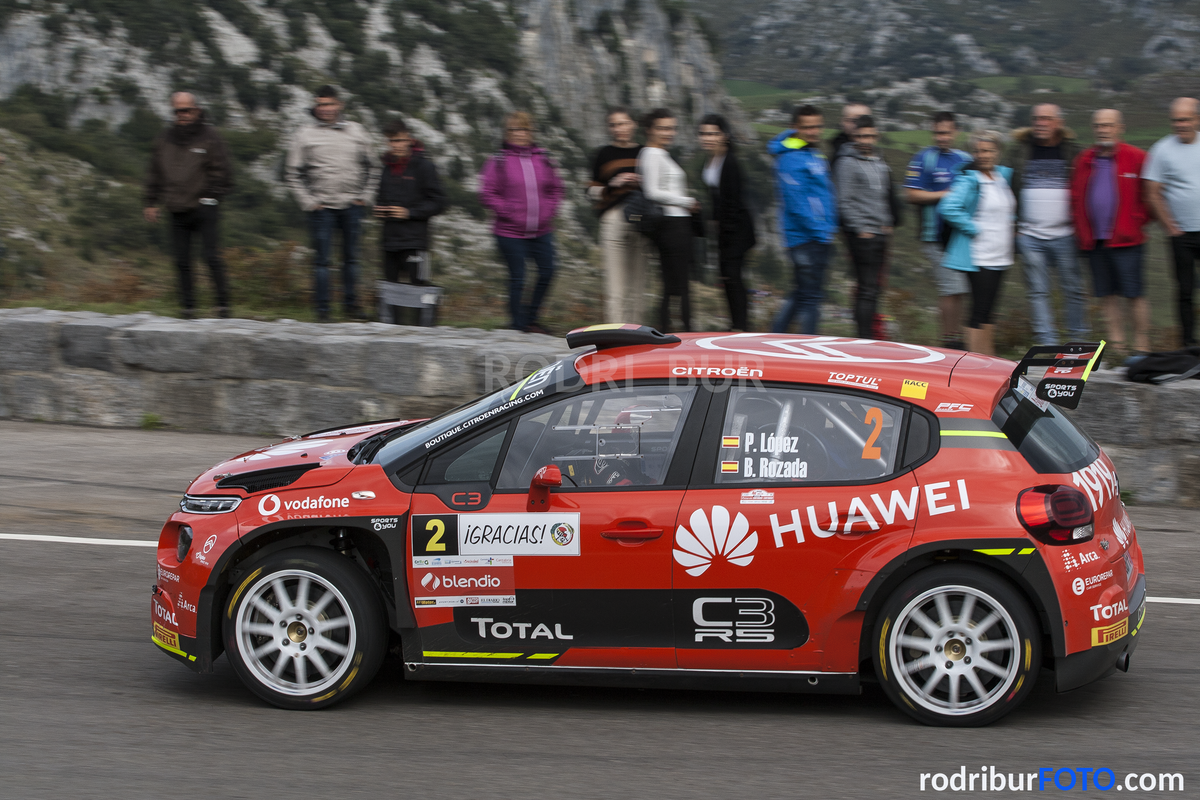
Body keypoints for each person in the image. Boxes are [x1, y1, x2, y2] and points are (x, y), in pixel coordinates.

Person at [285, 85, 376, 322]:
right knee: (322, 261)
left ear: (339, 105)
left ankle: (351, 306)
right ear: (315, 106)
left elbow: (373, 166)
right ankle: (323, 310)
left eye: (329, 104)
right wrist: (309, 202)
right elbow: (293, 173)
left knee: (351, 258)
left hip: (352, 206)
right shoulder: (304, 134)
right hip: (322, 207)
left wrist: (364, 196)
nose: (325, 109)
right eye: (320, 104)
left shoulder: (356, 131)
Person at [143, 91, 234, 319]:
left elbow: (223, 173)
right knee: (182, 260)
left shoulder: (210, 137)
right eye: (177, 111)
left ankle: (223, 305)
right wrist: (151, 202)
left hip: (204, 208)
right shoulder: (164, 139)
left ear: (196, 109)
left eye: (186, 110)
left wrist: (211, 198)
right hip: (176, 208)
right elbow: (154, 173)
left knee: (211, 256)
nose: (182, 115)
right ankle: (188, 306)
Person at [1071, 109, 1150, 358]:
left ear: (1120, 127)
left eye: (1108, 125)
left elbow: (1151, 195)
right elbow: (1075, 196)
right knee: (1106, 295)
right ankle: (1118, 349)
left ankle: (1141, 347)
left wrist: (1138, 221)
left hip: (1127, 239)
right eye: (1098, 126)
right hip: (1095, 240)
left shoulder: (1137, 157)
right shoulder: (1084, 159)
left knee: (1134, 294)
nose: (1102, 130)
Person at [479, 111, 564, 334]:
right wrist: (509, 211)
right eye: (514, 130)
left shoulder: (543, 158)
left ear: (530, 132)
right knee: (518, 278)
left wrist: (549, 210)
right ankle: (518, 326)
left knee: (548, 271)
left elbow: (556, 188)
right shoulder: (498, 161)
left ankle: (531, 318)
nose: (519, 134)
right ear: (507, 133)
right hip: (509, 231)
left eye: (523, 129)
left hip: (542, 230)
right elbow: (487, 194)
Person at [1009, 103, 1086, 345]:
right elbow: (1006, 184)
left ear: (1058, 123)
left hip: (1066, 233)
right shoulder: (1020, 150)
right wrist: (1015, 228)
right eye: (1036, 118)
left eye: (1046, 119)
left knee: (1073, 289)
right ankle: (1047, 343)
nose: (1040, 123)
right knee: (1037, 291)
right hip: (1030, 235)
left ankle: (1078, 342)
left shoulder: (1073, 151)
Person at [938, 131, 1016, 356]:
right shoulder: (970, 180)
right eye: (979, 151)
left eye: (989, 150)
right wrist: (973, 228)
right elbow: (948, 207)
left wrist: (1011, 226)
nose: (984, 155)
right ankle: (974, 361)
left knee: (990, 311)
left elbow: (1007, 209)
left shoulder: (1003, 177)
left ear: (997, 153)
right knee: (979, 310)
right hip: (980, 254)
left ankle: (988, 358)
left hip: (1001, 254)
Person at [768, 104, 838, 334]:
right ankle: (809, 347)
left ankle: (775, 336)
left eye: (817, 126)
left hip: (815, 236)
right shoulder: (791, 158)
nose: (813, 131)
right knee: (811, 298)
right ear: (795, 128)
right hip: (805, 238)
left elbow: (821, 193)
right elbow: (796, 201)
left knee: (802, 293)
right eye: (807, 127)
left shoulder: (812, 152)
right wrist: (821, 231)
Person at [905, 111, 972, 348]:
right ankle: (948, 340)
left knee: (960, 289)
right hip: (933, 236)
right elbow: (911, 194)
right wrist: (945, 195)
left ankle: (957, 338)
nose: (942, 137)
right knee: (949, 286)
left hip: (960, 235)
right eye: (937, 133)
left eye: (946, 132)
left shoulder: (964, 158)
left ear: (956, 132)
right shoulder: (924, 159)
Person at [374, 118, 446, 324]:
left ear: (408, 139)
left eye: (398, 141)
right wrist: (380, 209)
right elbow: (381, 197)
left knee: (420, 288)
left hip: (416, 241)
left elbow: (439, 202)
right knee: (390, 289)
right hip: (390, 240)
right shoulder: (386, 167)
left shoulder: (424, 166)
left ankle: (425, 334)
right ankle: (390, 334)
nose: (394, 146)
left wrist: (409, 213)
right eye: (390, 141)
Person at [835, 115, 899, 339]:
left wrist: (887, 223)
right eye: (861, 136)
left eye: (870, 136)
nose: (866, 140)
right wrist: (860, 228)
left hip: (881, 232)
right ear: (854, 137)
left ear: (876, 136)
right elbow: (844, 200)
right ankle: (862, 336)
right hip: (863, 234)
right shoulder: (847, 163)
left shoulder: (880, 162)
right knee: (866, 288)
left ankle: (869, 335)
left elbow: (884, 196)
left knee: (875, 289)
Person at [1144, 97, 1200, 346]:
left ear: (1196, 119)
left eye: (1186, 119)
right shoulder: (1162, 149)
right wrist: (1170, 227)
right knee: (1185, 292)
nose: (1181, 124)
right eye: (1176, 120)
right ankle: (1188, 345)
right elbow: (1152, 191)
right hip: (1182, 236)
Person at [638, 108, 700, 333]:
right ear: (649, 130)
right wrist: (687, 201)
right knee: (680, 285)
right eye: (662, 128)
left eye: (672, 128)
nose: (669, 133)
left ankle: (669, 330)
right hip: (673, 224)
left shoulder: (659, 154)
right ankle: (686, 333)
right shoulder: (653, 154)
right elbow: (652, 192)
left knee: (673, 285)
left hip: (675, 224)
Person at [698, 113, 757, 331]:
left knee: (733, 277)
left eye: (713, 133)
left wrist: (725, 233)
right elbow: (716, 197)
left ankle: (741, 326)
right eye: (704, 133)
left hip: (736, 230)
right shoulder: (711, 161)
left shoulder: (730, 162)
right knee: (727, 277)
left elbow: (732, 201)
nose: (708, 138)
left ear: (724, 135)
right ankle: (736, 324)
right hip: (724, 229)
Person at [587, 108, 646, 323]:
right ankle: (617, 336)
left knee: (638, 285)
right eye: (614, 125)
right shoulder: (603, 154)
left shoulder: (645, 152)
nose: (619, 129)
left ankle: (639, 337)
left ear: (634, 125)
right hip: (614, 217)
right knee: (616, 284)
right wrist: (612, 184)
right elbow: (590, 191)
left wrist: (640, 182)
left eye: (623, 123)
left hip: (640, 218)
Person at [829, 101, 871, 170]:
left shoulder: (877, 154)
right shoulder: (840, 155)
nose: (860, 125)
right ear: (843, 122)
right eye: (854, 121)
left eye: (865, 121)